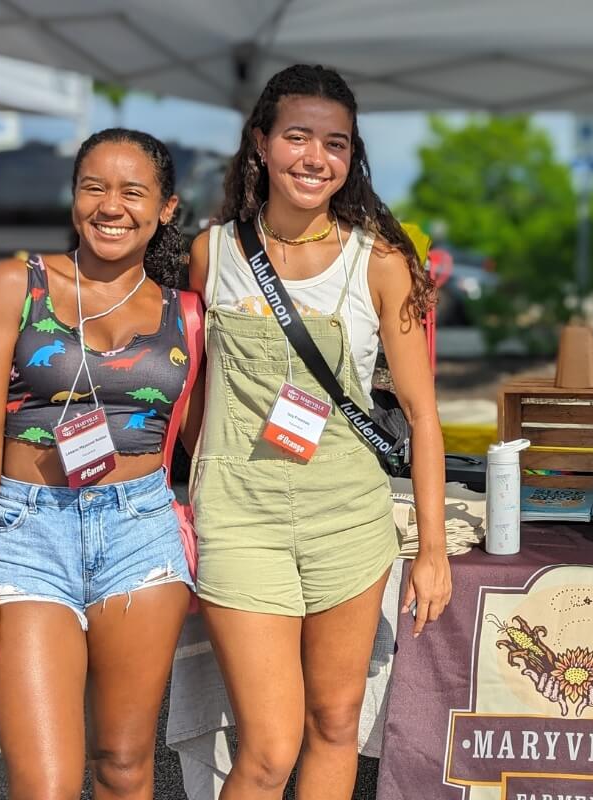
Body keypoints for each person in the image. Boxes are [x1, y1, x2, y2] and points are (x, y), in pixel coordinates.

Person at [186, 64, 451, 799]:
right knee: (269, 748)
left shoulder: (382, 262)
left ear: (351, 156)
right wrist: (202, 479)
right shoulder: (213, 253)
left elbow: (423, 415)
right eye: (297, 137)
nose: (315, 158)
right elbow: (192, 393)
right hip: (241, 519)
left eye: (335, 144)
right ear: (261, 144)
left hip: (349, 519)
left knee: (335, 723)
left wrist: (432, 550)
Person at [0, 128, 197, 799]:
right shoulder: (15, 284)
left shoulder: (185, 312)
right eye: (94, 187)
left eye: (132, 191)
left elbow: (207, 438)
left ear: (166, 209)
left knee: (123, 765)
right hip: (28, 536)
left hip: (140, 537)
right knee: (47, 785)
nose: (110, 206)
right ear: (73, 198)